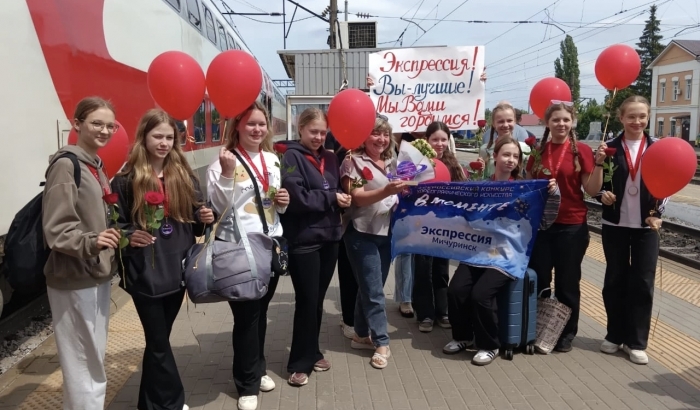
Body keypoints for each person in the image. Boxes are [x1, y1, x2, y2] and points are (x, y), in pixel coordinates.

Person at [111, 109, 215, 410]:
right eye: (157, 136)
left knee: (159, 341)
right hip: (145, 270)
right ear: (143, 137)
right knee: (158, 342)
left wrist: (205, 216)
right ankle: (172, 402)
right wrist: (130, 235)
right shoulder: (127, 179)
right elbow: (116, 224)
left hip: (178, 269)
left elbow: (196, 221)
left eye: (169, 137)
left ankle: (148, 403)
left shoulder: (183, 175)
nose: (164, 143)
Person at [207, 101, 290, 410]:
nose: (257, 129)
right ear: (238, 127)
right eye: (251, 124)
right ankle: (246, 383)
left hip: (271, 245)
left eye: (262, 124)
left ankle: (257, 367)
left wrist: (283, 202)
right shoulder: (222, 161)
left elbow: (275, 205)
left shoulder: (272, 159)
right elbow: (218, 207)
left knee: (260, 314)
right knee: (246, 317)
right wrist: (228, 173)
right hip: (239, 249)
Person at [445, 137, 559, 364]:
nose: (511, 160)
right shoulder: (481, 186)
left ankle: (490, 344)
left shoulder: (526, 190)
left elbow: (545, 221)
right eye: (506, 154)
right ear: (494, 156)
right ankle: (463, 337)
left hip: (508, 255)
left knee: (481, 295)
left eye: (516, 156)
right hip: (478, 252)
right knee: (456, 290)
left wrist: (554, 194)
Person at [42, 96, 122, 410]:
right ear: (77, 124)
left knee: (90, 361)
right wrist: (93, 242)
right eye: (96, 123)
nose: (104, 131)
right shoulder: (67, 166)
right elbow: (56, 229)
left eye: (110, 126)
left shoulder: (94, 165)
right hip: (75, 276)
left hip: (94, 273)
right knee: (84, 366)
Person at [526, 101, 607, 353]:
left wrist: (599, 164)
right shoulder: (538, 151)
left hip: (571, 226)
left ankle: (566, 333)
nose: (561, 124)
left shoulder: (581, 150)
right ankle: (537, 329)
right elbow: (528, 184)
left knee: (567, 283)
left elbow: (592, 190)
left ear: (572, 122)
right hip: (542, 226)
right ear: (546, 123)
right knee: (540, 280)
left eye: (566, 120)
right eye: (556, 120)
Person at [280, 108, 351, 386]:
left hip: (330, 238)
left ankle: (313, 351)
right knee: (307, 301)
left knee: (317, 301)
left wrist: (342, 195)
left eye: (323, 132)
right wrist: (332, 198)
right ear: (301, 129)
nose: (319, 137)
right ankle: (299, 363)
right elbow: (297, 197)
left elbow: (332, 188)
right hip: (304, 240)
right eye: (313, 131)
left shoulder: (331, 158)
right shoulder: (291, 156)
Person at [597, 96, 667, 365]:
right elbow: (598, 182)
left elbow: (668, 182)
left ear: (648, 117)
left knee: (643, 282)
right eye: (631, 116)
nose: (637, 121)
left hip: (646, 226)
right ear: (621, 118)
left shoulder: (658, 148)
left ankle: (636, 342)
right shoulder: (609, 148)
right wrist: (602, 195)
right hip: (614, 224)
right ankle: (614, 334)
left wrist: (658, 214)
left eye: (642, 116)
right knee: (614, 279)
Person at [341, 117, 406, 369]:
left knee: (369, 288)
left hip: (387, 233)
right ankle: (381, 342)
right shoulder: (352, 161)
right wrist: (387, 191)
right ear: (364, 137)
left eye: (385, 134)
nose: (381, 139)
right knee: (375, 290)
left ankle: (360, 334)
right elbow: (357, 198)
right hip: (361, 233)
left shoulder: (393, 162)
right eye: (375, 134)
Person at [412, 121, 466, 333]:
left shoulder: (454, 165)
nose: (440, 143)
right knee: (423, 269)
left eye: (444, 139)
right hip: (421, 226)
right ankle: (425, 313)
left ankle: (442, 311)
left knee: (441, 270)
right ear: (427, 140)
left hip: (445, 226)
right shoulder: (417, 163)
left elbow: (462, 194)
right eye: (435, 139)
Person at [480, 102, 531, 179]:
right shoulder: (485, 149)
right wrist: (479, 171)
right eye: (501, 121)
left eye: (509, 121)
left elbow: (530, 176)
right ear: (493, 123)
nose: (506, 125)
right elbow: (482, 178)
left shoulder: (524, 148)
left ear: (515, 121)